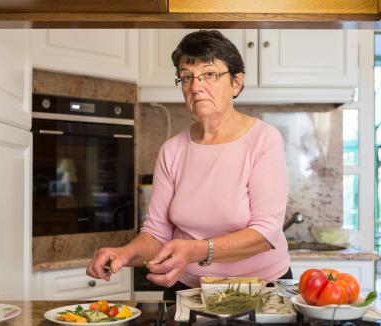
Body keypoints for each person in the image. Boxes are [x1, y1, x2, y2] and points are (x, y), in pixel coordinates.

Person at [86, 30, 291, 300]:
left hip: (260, 290)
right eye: (186, 77)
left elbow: (265, 234)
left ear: (236, 83)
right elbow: (156, 232)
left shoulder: (264, 139)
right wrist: (125, 253)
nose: (196, 87)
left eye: (209, 74)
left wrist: (193, 251)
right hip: (189, 290)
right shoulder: (172, 150)